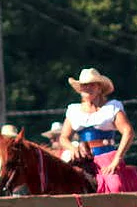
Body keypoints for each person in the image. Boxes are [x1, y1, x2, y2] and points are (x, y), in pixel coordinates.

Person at [59, 67, 137, 198]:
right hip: (82, 159)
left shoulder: (112, 107)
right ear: (80, 89)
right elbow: (63, 138)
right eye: (84, 85)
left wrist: (117, 159)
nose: (87, 88)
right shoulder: (74, 110)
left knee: (114, 186)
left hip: (107, 157)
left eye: (91, 85)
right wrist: (72, 148)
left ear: (99, 88)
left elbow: (128, 132)